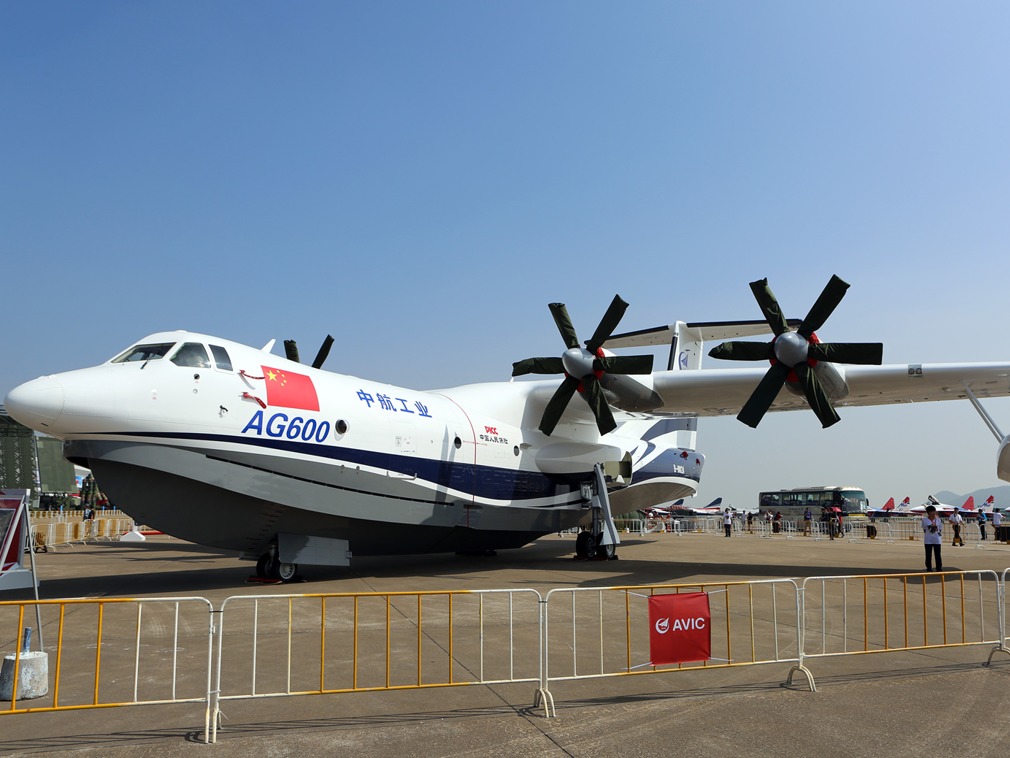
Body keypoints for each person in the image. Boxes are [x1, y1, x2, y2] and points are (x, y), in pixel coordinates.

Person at [922, 504, 943, 572]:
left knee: (938, 554)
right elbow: (924, 529)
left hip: (937, 539)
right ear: (928, 512)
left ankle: (939, 568)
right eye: (932, 511)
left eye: (934, 511)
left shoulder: (938, 520)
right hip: (928, 539)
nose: (934, 513)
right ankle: (929, 568)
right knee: (928, 554)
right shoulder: (924, 520)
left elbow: (940, 529)